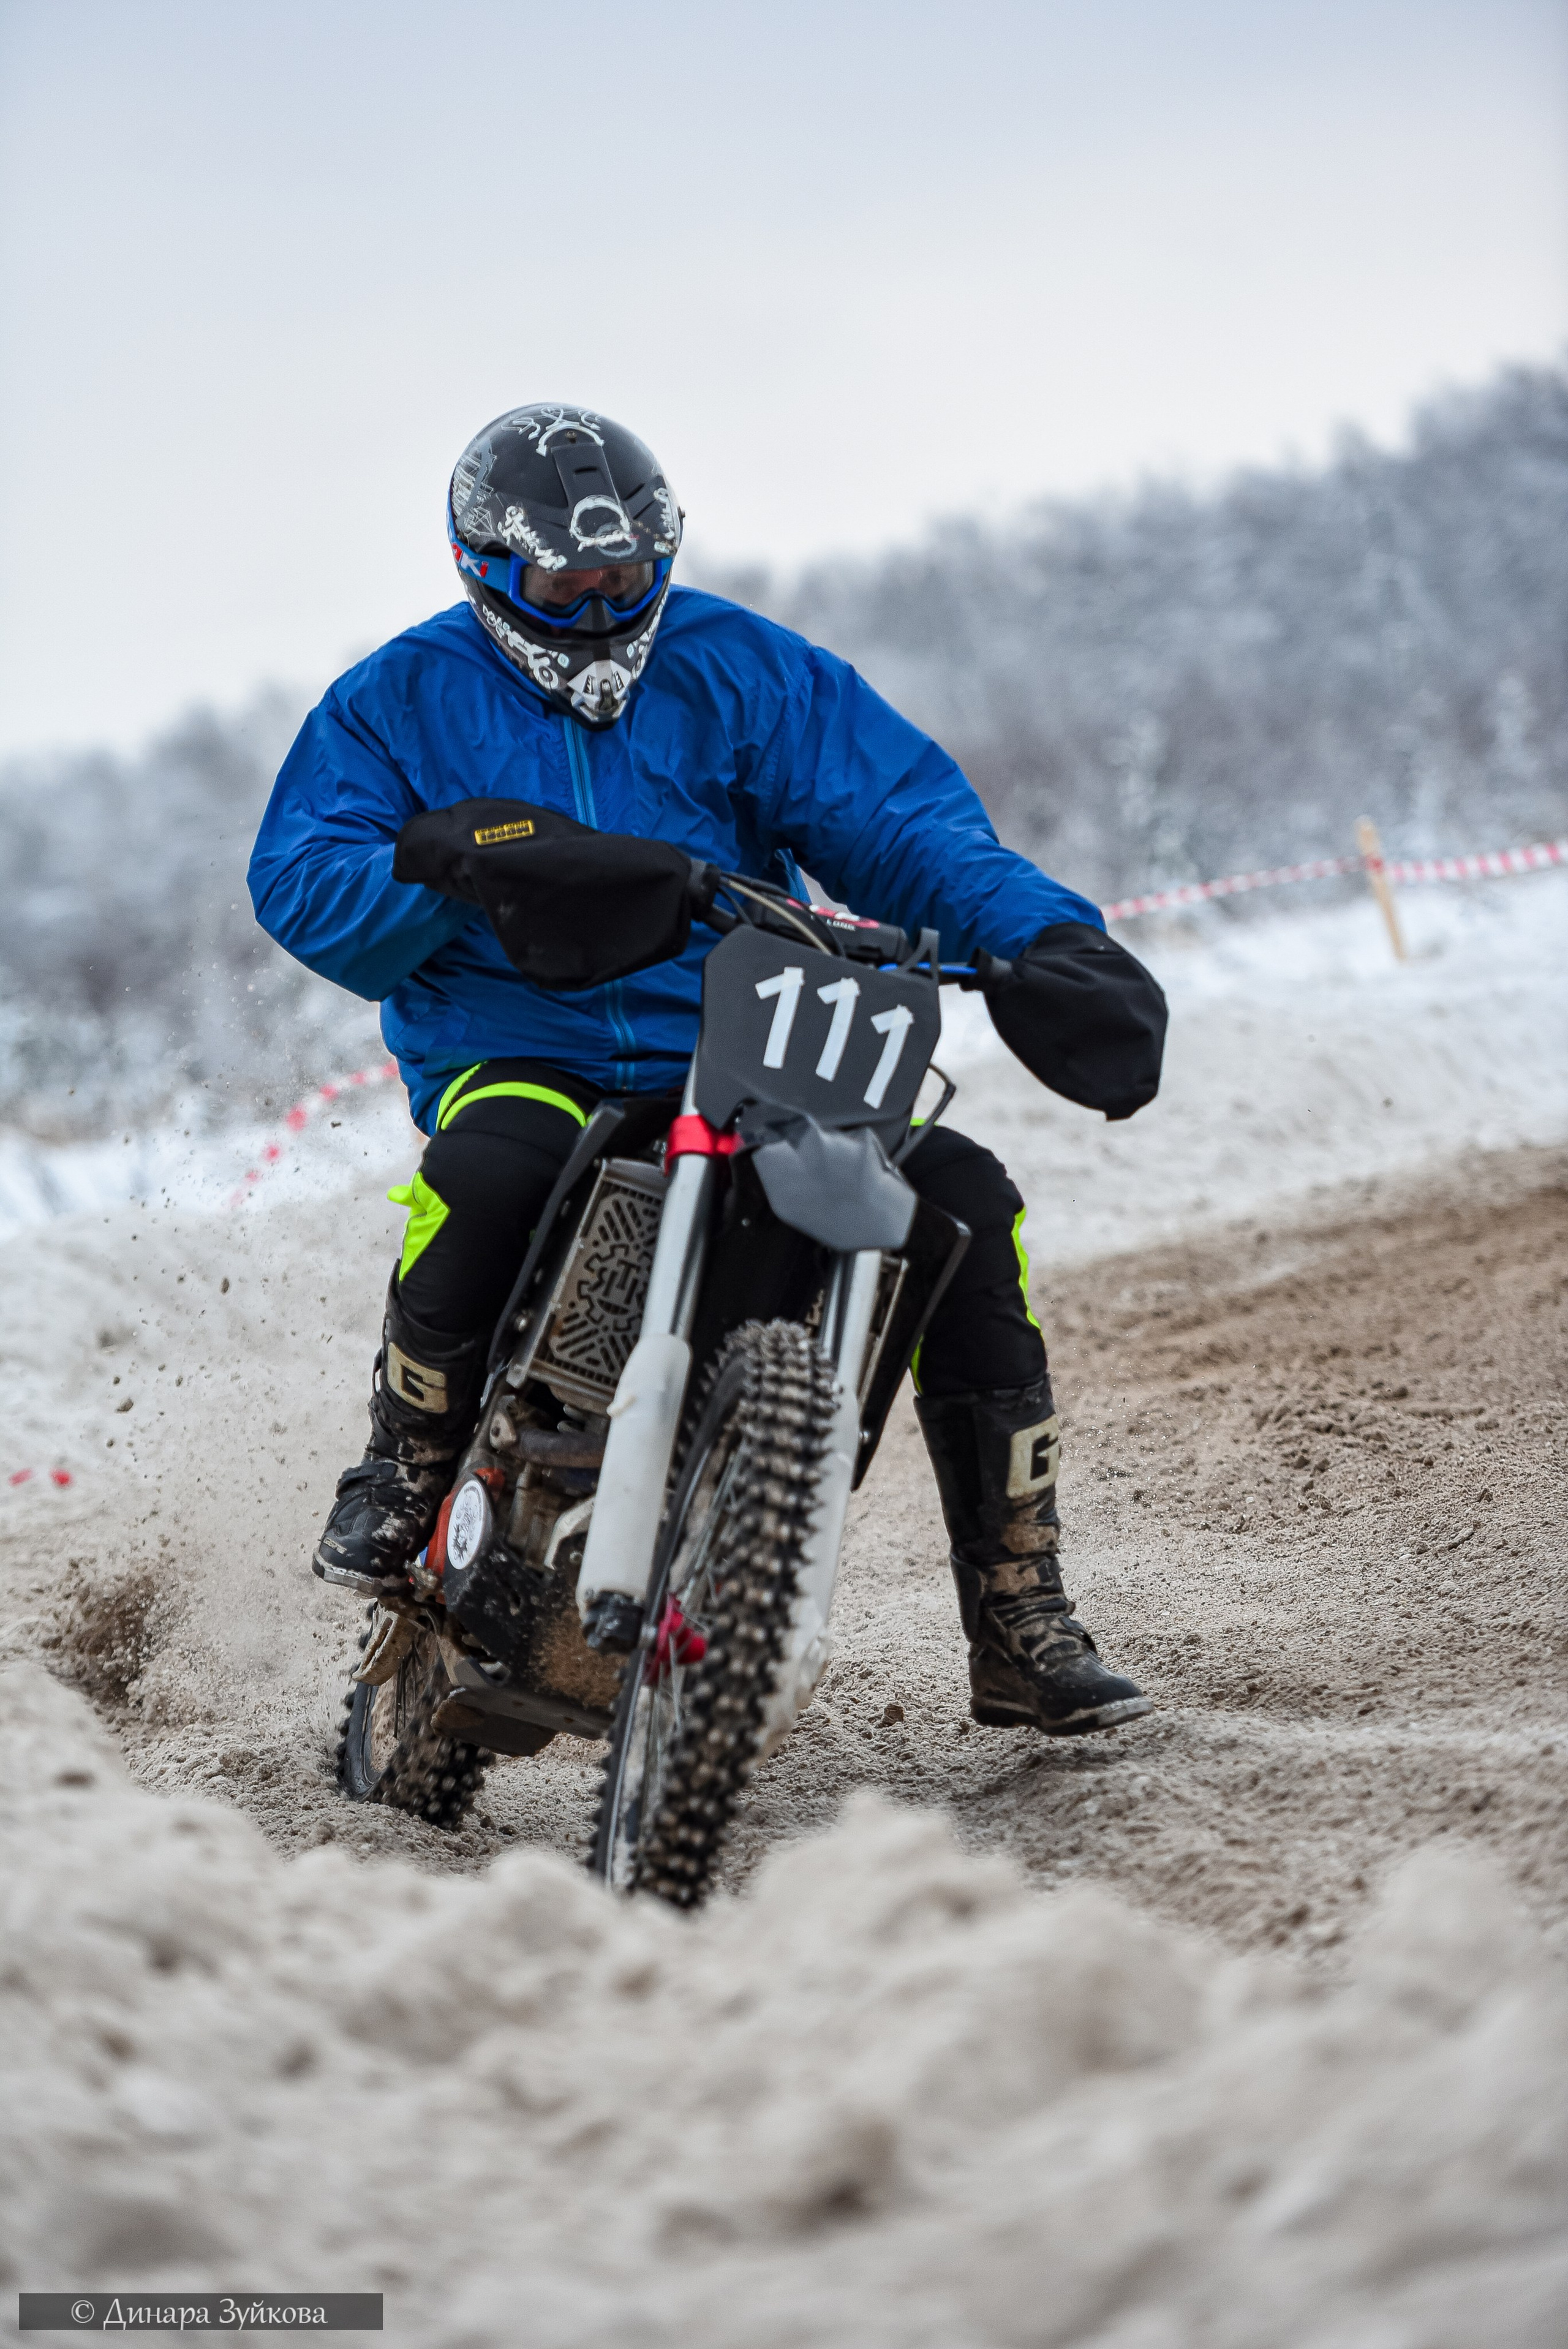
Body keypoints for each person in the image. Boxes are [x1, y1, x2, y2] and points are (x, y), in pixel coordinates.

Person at [248, 403, 1167, 1739]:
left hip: (750, 1040)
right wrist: (441, 862)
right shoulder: (394, 701)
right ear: (487, 569)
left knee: (965, 1204)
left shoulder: (747, 669)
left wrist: (1044, 938)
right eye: (570, 579)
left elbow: (902, 824)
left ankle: (1021, 1614)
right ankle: (402, 1467)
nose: (602, 599)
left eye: (625, 573)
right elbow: (299, 882)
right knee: (484, 1168)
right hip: (521, 1050)